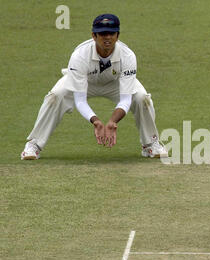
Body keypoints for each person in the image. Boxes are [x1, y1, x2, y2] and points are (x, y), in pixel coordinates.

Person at [21, 13, 167, 160]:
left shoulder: (128, 56)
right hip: (84, 81)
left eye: (111, 33)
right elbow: (80, 100)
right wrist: (95, 120)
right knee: (56, 95)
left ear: (117, 35)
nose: (107, 37)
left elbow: (126, 99)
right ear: (94, 35)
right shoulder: (79, 55)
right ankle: (34, 144)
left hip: (115, 83)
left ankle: (150, 144)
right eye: (102, 33)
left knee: (142, 98)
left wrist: (112, 121)